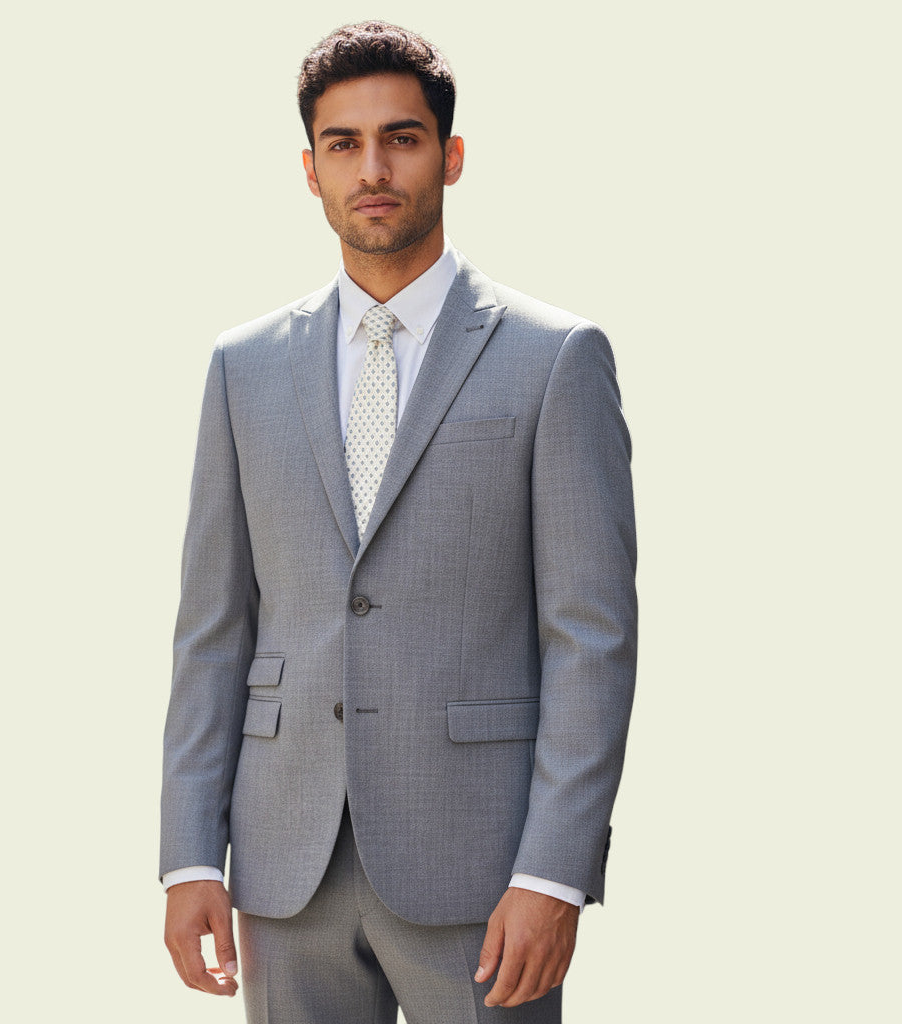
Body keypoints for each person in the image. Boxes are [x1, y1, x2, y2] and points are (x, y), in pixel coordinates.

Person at [160, 21, 637, 1024]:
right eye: (343, 143)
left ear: (450, 155)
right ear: (309, 169)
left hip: (481, 871)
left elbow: (590, 637)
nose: (371, 168)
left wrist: (554, 871)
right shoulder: (242, 368)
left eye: (402, 138)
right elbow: (213, 630)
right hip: (285, 865)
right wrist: (190, 851)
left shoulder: (554, 358)